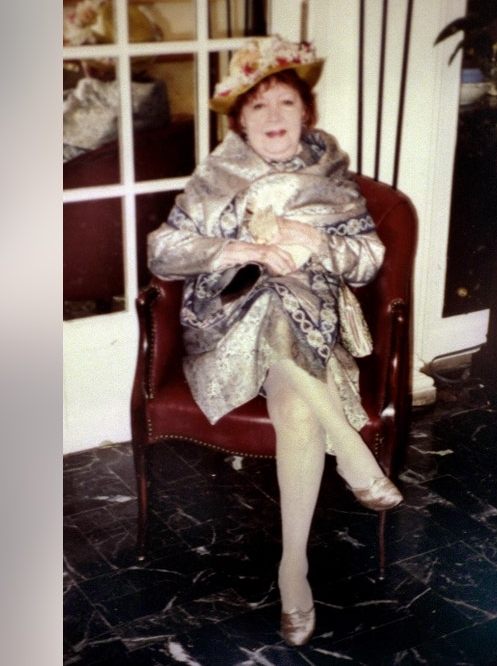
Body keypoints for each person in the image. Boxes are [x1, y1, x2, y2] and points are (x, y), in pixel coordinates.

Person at [147, 35, 403, 647]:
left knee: (295, 409)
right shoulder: (218, 174)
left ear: (305, 112)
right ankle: (352, 450)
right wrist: (246, 249)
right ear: (239, 121)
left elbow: (367, 260)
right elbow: (163, 249)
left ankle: (294, 573)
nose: (272, 118)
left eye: (284, 102)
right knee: (271, 302)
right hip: (231, 319)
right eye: (256, 107)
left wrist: (313, 242)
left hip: (316, 323)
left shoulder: (330, 173)